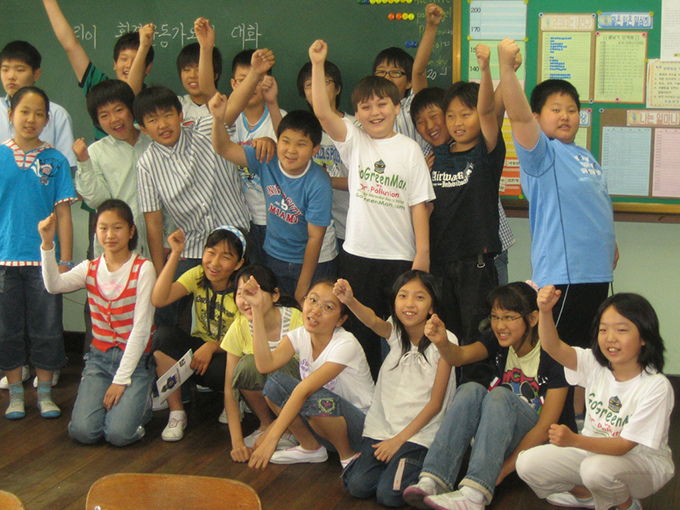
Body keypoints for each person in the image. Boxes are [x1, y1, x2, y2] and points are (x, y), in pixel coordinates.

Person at [499, 39, 617, 416]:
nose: (566, 116)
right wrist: (507, 69)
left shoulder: (585, 156)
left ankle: (579, 424)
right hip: (563, 279)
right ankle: (553, 431)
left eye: (572, 109)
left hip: (595, 276)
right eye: (555, 109)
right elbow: (518, 118)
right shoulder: (542, 155)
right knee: (560, 364)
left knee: (588, 358)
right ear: (538, 116)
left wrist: (610, 244)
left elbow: (596, 205)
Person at [309, 39, 435, 379]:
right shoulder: (354, 141)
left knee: (403, 335)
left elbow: (419, 205)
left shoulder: (409, 150)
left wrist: (421, 255)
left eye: (382, 104)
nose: (375, 112)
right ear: (357, 113)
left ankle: (402, 394)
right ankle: (366, 398)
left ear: (397, 107)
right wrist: (318, 65)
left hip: (400, 257)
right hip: (358, 255)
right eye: (366, 107)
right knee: (360, 335)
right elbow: (322, 112)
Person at [403, 282, 569, 510]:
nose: (499, 325)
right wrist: (441, 341)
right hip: (496, 436)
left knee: (499, 395)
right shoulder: (500, 340)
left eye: (509, 317)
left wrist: (502, 471)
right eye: (495, 317)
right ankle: (433, 479)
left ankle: (475, 493)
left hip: (537, 445)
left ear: (532, 319)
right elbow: (459, 357)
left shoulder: (555, 354)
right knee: (470, 390)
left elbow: (545, 427)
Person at [516, 286, 675, 510]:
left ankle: (627, 505)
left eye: (621, 330)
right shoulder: (595, 364)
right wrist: (545, 311)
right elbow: (553, 347)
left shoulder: (655, 386)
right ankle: (585, 494)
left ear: (644, 337)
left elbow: (623, 446)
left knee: (595, 470)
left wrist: (573, 440)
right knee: (526, 463)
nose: (610, 338)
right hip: (592, 453)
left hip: (642, 465)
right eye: (603, 330)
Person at [418, 44, 506, 385]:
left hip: (475, 264)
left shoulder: (487, 151)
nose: (457, 123)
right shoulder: (436, 154)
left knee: (477, 339)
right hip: (440, 265)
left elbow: (489, 111)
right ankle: (450, 402)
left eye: (465, 114)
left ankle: (477, 397)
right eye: (451, 115)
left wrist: (485, 69)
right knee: (445, 339)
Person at [335, 271, 457, 507]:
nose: (409, 304)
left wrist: (398, 441)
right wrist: (349, 300)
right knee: (357, 485)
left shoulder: (445, 340)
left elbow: (436, 404)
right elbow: (372, 321)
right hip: (382, 430)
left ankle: (429, 472)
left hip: (418, 436)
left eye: (419, 297)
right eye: (403, 296)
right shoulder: (396, 332)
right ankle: (393, 467)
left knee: (388, 495)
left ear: (432, 307)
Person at [40, 199, 156, 446]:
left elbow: (141, 329)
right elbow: (53, 286)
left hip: (135, 361)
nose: (110, 235)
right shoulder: (90, 268)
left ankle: (143, 403)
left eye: (117, 227)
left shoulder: (143, 269)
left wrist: (120, 381)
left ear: (131, 231)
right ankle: (123, 405)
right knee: (83, 432)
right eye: (103, 228)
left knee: (119, 435)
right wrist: (48, 245)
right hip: (99, 359)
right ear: (96, 231)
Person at [210, 93, 334, 303]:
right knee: (275, 311)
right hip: (274, 255)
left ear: (315, 150)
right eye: (285, 141)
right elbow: (223, 148)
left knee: (307, 315)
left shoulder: (319, 182)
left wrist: (303, 286)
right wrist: (217, 119)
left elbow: (315, 238)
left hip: (313, 261)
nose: (291, 151)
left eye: (301, 144)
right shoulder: (267, 159)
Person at [0, 86, 76, 419]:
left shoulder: (55, 160)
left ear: (47, 120)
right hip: (4, 261)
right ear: (10, 115)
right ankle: (16, 394)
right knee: (7, 330)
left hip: (44, 262)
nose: (31, 119)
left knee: (47, 328)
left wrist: (65, 262)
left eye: (39, 113)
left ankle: (44, 393)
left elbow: (64, 215)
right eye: (24, 111)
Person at [247, 278, 374, 470]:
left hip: (361, 430)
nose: (315, 310)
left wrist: (272, 437)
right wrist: (257, 310)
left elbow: (304, 391)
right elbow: (265, 365)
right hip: (324, 422)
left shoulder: (346, 344)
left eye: (328, 307)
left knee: (315, 397)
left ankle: (348, 456)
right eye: (312, 300)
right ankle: (310, 447)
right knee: (275, 384)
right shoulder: (299, 335)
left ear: (340, 320)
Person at [196, 18, 285, 264]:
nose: (251, 86)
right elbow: (207, 89)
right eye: (243, 80)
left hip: (274, 217)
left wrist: (272, 142)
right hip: (237, 218)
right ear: (234, 84)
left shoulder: (280, 118)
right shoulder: (227, 119)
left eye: (256, 78)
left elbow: (292, 156)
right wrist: (206, 48)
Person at [151, 226, 248, 441]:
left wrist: (212, 347)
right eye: (210, 253)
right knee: (162, 337)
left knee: (235, 365)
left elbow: (245, 337)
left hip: (229, 354)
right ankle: (177, 412)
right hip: (200, 350)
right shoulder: (198, 275)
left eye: (225, 257)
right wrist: (175, 253)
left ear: (238, 263)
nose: (214, 263)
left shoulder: (243, 288)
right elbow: (158, 299)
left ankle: (236, 400)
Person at [410, 87, 515, 286]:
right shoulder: (425, 157)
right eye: (420, 122)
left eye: (435, 116)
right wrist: (419, 178)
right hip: (443, 257)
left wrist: (497, 72)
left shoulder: (481, 147)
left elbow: (492, 112)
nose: (429, 126)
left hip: (484, 254)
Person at [221, 264, 302, 462]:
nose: (247, 300)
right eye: (241, 293)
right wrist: (237, 443)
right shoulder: (239, 326)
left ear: (275, 295)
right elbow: (230, 388)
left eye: (253, 292)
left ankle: (290, 429)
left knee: (280, 367)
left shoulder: (296, 320)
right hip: (270, 401)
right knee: (246, 367)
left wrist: (274, 433)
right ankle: (265, 423)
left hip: (299, 401)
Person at [42, 0, 154, 139]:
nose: (129, 65)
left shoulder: (152, 100)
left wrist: (144, 47)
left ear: (148, 67)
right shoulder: (99, 89)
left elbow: (129, 93)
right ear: (115, 63)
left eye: (136, 59)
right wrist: (49, 2)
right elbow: (71, 45)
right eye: (124, 59)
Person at [74, 79, 152, 258]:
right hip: (116, 246)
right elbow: (96, 200)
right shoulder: (96, 152)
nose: (114, 119)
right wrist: (84, 162)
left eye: (119, 110)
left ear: (131, 108)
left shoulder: (152, 140)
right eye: (104, 116)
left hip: (156, 240)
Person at [297, 59, 353, 249]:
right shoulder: (299, 131)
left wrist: (327, 180)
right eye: (309, 84)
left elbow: (367, 181)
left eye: (325, 81)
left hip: (349, 228)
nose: (316, 88)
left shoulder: (356, 127)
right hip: (310, 229)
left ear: (338, 89)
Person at [373, 3, 444, 150]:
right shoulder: (368, 114)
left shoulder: (413, 106)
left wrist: (431, 26)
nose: (387, 78)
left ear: (409, 82)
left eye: (395, 73)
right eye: (381, 72)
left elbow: (419, 70)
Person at [0, 41, 76, 168]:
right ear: (10, 114)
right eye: (5, 70)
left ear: (36, 74)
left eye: (20, 70)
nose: (11, 76)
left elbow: (66, 166)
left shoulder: (57, 114)